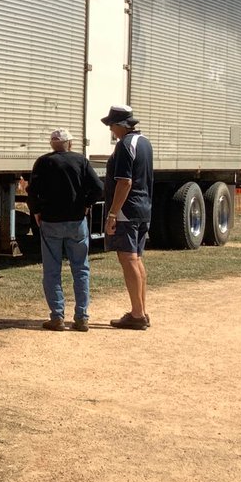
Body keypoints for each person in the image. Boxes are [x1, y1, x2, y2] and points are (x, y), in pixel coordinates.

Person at [28, 128, 104, 332]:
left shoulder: (43, 162)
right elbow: (98, 187)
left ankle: (57, 317)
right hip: (77, 221)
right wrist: (86, 204)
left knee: (52, 270)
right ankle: (81, 317)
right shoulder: (80, 161)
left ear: (52, 144)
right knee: (81, 269)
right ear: (69, 143)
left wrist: (36, 211)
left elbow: (32, 191)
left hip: (50, 222)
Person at [101, 104, 154, 330]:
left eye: (112, 125)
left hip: (127, 210)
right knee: (137, 259)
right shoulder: (144, 142)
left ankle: (137, 313)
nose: (111, 130)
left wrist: (113, 213)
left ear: (121, 126)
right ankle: (141, 309)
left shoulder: (125, 145)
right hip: (143, 208)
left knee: (128, 258)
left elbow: (125, 182)